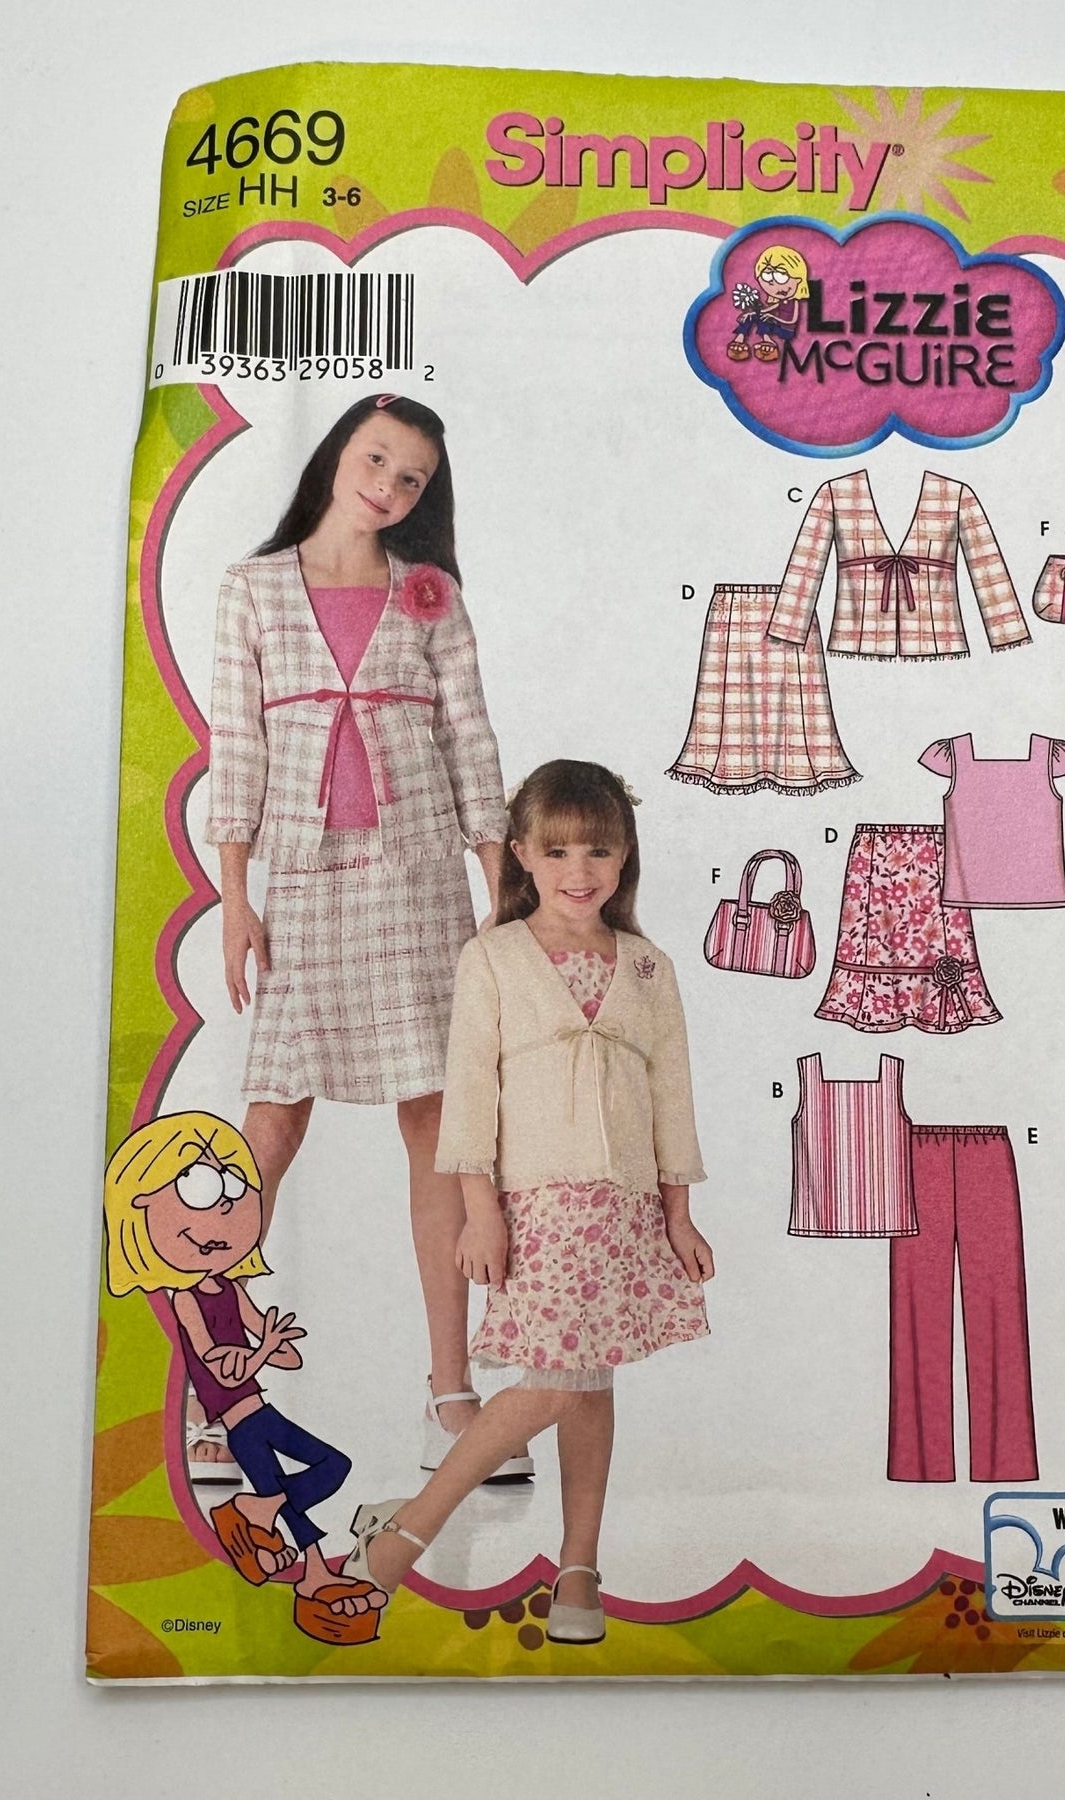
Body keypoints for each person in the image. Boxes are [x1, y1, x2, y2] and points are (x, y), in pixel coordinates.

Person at [205, 392, 526, 1481]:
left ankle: (451, 1390)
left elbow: (471, 739)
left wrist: (501, 892)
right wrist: (235, 896)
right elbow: (236, 748)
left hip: (418, 880)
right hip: (300, 883)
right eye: (376, 459)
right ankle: (221, 1388)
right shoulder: (252, 588)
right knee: (271, 1122)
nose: (386, 486)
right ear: (340, 450)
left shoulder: (429, 592)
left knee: (440, 1129)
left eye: (410, 479)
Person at [335, 761, 716, 1645]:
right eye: (557, 852)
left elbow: (673, 1099)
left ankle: (578, 1567)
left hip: (625, 1207)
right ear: (521, 856)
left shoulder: (648, 968)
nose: (579, 871)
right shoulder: (495, 958)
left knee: (589, 1379)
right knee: (555, 1380)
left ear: (625, 858)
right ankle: (409, 1532)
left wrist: (678, 1215)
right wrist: (481, 1211)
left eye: (599, 852)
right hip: (537, 1205)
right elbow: (469, 1096)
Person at [103, 1113, 387, 1644]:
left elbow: (275, 1351)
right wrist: (264, 1352)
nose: (224, 1208)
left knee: (332, 1466)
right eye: (199, 1187)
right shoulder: (185, 1298)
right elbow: (220, 1365)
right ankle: (307, 1569)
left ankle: (266, 1523)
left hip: (260, 1412)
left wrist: (279, 1348)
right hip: (239, 1423)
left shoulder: (234, 1289)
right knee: (313, 1479)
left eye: (234, 1188)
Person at [728, 243, 808, 362]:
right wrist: (751, 313)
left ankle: (769, 343)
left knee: (765, 319)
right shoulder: (780, 301)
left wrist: (773, 317)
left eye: (781, 277)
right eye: (767, 277)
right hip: (776, 326)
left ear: (798, 279)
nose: (773, 283)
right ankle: (740, 339)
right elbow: (767, 310)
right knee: (759, 316)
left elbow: (792, 321)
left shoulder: (794, 302)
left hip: (786, 331)